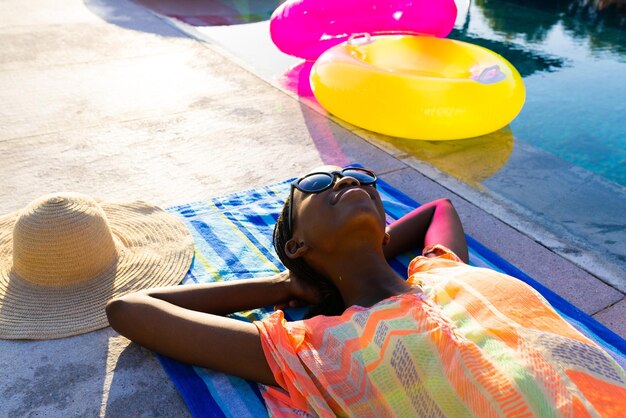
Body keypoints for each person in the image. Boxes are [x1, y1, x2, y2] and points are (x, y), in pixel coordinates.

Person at [106, 165, 626, 416]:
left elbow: (438, 210)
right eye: (315, 184)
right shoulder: (310, 349)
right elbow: (129, 308)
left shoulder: (443, 270)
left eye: (360, 178)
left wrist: (374, 245)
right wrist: (289, 284)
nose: (345, 180)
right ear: (297, 242)